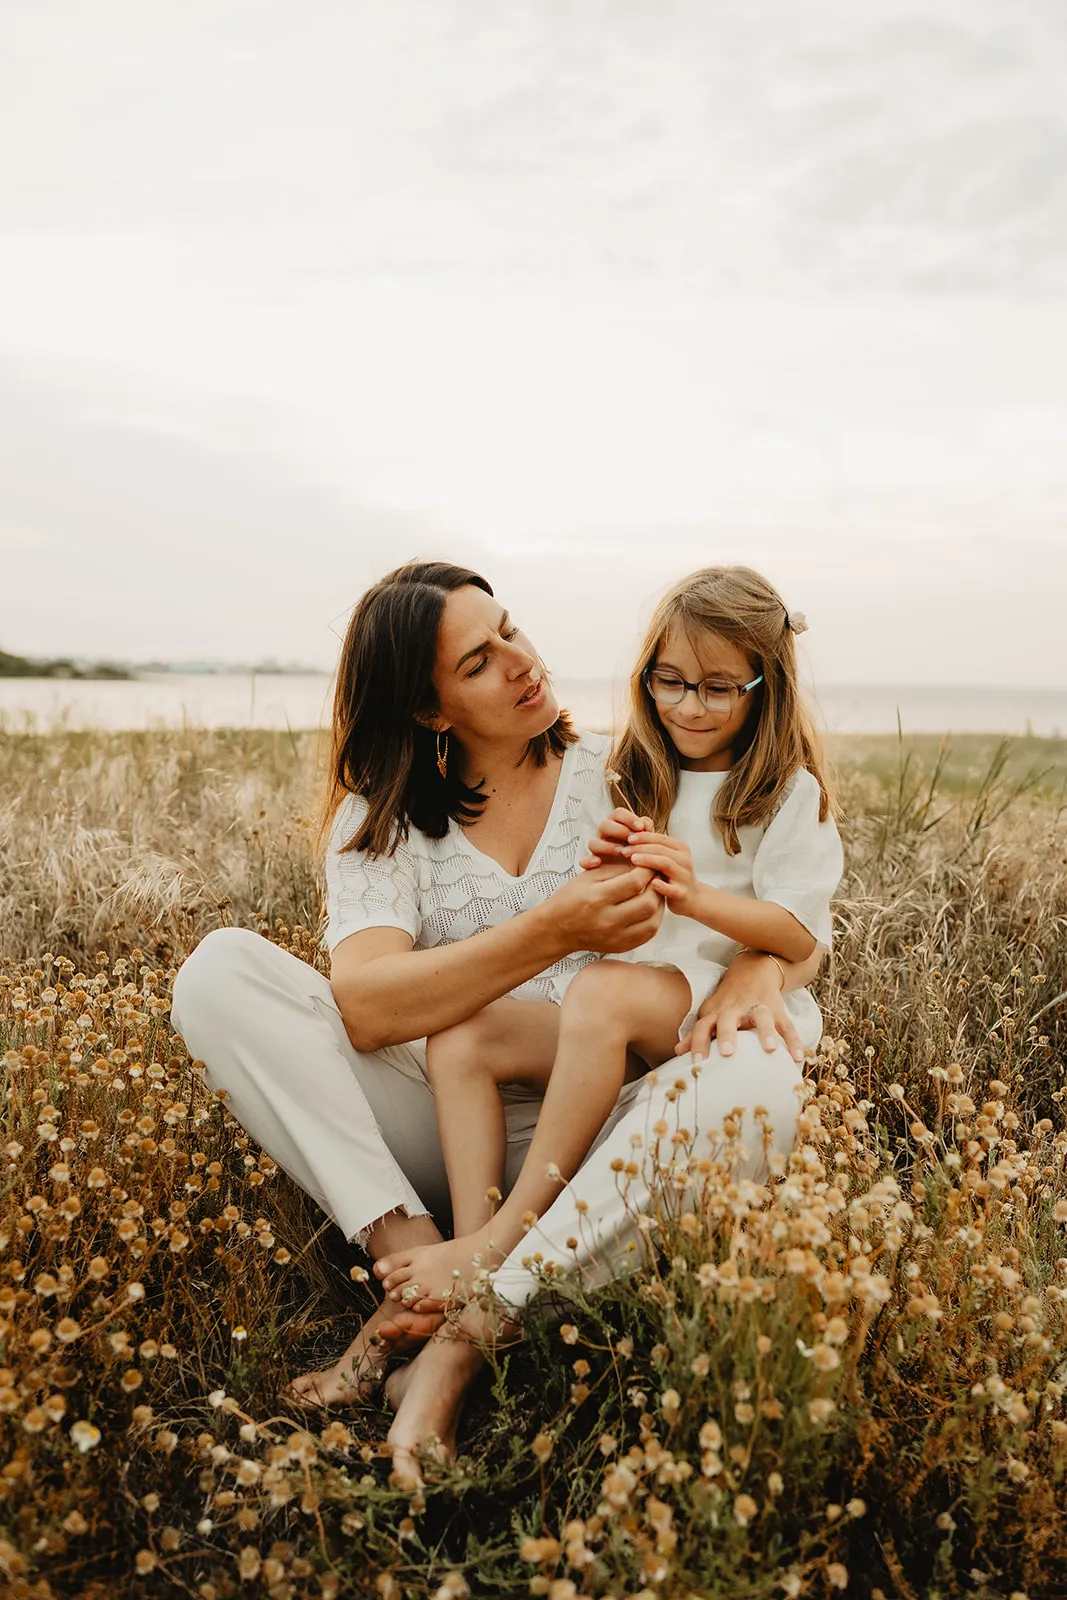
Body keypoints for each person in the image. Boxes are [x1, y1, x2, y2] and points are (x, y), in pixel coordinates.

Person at [168, 560, 822, 1476]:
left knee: (757, 1085)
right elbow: (367, 1007)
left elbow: (771, 901)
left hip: (608, 1135)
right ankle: (415, 1261)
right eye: (478, 661)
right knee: (219, 973)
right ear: (430, 710)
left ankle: (461, 1330)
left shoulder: (628, 772)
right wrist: (549, 930)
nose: (522, 661)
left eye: (509, 629)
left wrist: (763, 964)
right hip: (443, 1125)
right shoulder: (380, 821)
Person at [374, 565, 842, 1309]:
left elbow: (797, 930)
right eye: (670, 681)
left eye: (717, 687)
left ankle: (499, 1251)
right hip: (627, 1008)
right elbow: (619, 887)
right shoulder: (634, 772)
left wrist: (704, 907)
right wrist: (611, 864)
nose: (689, 706)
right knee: (462, 1038)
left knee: (602, 989)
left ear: (765, 689)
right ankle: (473, 1235)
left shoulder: (785, 791)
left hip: (702, 1010)